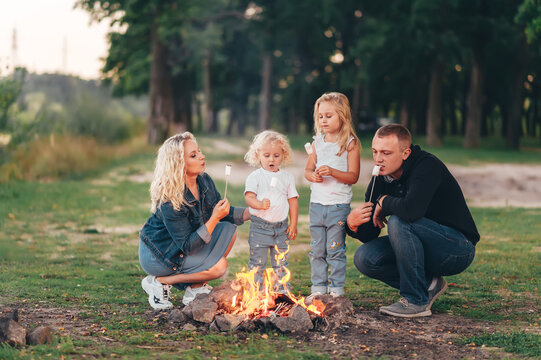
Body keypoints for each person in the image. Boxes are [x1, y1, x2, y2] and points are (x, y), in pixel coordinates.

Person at [347, 124, 479, 318]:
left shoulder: (427, 166)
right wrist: (352, 224)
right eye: (375, 151)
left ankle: (415, 300)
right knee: (365, 258)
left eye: (386, 153)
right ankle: (428, 284)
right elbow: (370, 233)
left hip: (457, 249)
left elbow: (412, 210)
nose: (378, 159)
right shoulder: (381, 178)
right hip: (421, 245)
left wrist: (384, 201)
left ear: (405, 153)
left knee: (399, 222)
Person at [139, 132, 250, 309]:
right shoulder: (170, 199)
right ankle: (159, 282)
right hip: (160, 255)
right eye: (193, 155)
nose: (202, 156)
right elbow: (188, 246)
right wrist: (214, 217)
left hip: (182, 248)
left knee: (229, 230)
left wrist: (253, 212)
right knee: (219, 267)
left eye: (199, 152)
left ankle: (195, 289)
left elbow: (224, 212)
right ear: (179, 164)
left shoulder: (203, 181)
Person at [304, 92, 361, 297]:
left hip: (337, 206)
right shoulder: (317, 142)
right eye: (320, 116)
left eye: (329, 115)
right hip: (316, 205)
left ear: (342, 116)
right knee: (317, 250)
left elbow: (353, 176)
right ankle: (318, 288)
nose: (323, 120)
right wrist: (313, 176)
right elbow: (308, 170)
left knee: (335, 249)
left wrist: (333, 172)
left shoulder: (350, 143)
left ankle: (336, 289)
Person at [244, 130, 299, 291]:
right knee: (257, 263)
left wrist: (293, 224)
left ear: (283, 155)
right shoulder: (255, 177)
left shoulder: (287, 177)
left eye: (276, 155)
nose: (271, 159)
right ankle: (256, 292)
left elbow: (293, 201)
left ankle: (281, 290)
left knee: (281, 262)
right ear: (258, 155)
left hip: (281, 228)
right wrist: (259, 204)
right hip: (260, 227)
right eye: (266, 155)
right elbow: (249, 197)